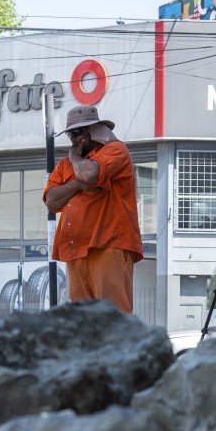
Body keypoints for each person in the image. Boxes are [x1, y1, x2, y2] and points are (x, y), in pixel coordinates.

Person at [42, 105, 143, 313]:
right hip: (75, 250)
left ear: (93, 130)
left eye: (77, 132)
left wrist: (75, 158)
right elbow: (51, 200)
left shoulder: (115, 150)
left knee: (112, 316)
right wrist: (78, 184)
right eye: (70, 134)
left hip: (107, 244)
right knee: (85, 319)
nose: (73, 139)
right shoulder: (65, 165)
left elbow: (89, 174)